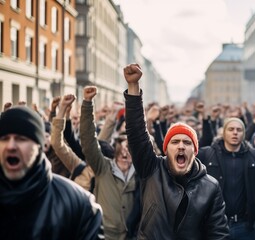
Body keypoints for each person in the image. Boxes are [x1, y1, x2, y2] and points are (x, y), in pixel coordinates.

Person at [123, 63, 229, 239]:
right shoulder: (152, 169)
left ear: (195, 151)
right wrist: (133, 87)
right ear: (166, 149)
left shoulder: (210, 187)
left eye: (187, 142)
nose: (181, 146)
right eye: (175, 142)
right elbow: (136, 133)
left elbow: (219, 234)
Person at [0, 106, 103, 239]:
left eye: (21, 139)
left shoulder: (79, 205)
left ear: (39, 146)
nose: (11, 146)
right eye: (4, 138)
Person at [197, 117, 255, 240]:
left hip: (245, 225)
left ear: (244, 133)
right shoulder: (208, 154)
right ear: (224, 132)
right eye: (231, 129)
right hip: (216, 225)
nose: (235, 132)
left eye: (239, 130)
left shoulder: (254, 156)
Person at [80, 86, 139, 240]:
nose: (124, 152)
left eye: (129, 149)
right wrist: (87, 104)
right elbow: (88, 141)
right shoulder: (103, 168)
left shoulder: (141, 174)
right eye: (121, 147)